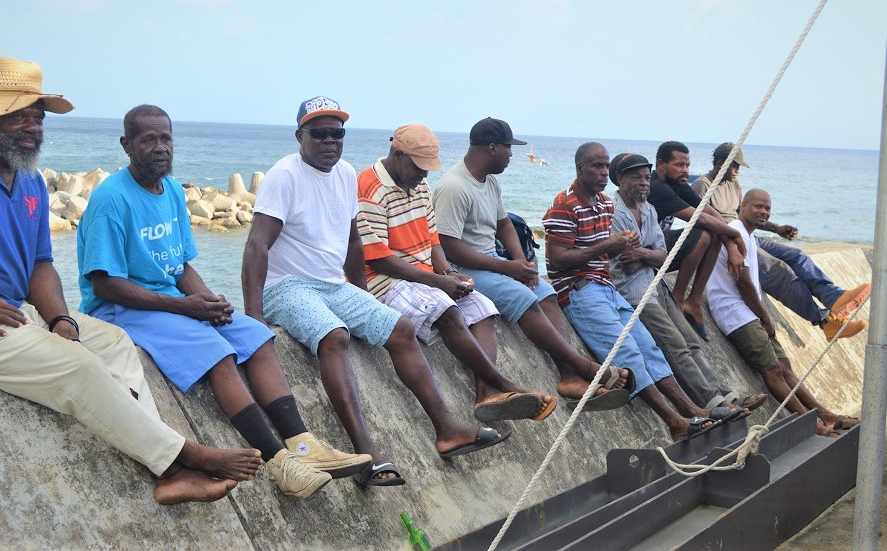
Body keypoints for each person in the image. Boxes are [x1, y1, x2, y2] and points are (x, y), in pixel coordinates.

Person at [0, 58, 261, 506]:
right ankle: (181, 457)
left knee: (112, 342)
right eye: (19, 115)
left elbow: (40, 264)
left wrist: (59, 316)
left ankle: (168, 469)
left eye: (38, 116)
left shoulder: (30, 179)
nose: (33, 127)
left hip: (10, 310)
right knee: (76, 366)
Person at [77, 104, 369, 500]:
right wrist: (185, 307)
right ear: (127, 145)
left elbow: (180, 267)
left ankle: (303, 445)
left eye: (166, 138)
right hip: (121, 309)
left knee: (256, 336)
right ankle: (280, 464)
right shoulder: (112, 198)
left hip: (165, 301)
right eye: (148, 140)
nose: (160, 147)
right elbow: (105, 283)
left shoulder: (173, 189)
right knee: (219, 352)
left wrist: (207, 299)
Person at [243, 98, 508, 488]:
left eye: (338, 133)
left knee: (401, 330)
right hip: (286, 286)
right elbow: (256, 246)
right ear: (301, 135)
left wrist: (363, 295)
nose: (330, 140)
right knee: (334, 337)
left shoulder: (345, 173)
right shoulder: (284, 176)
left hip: (333, 283)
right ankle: (366, 454)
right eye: (320, 133)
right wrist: (254, 317)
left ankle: (448, 429)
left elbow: (353, 242)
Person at [543, 142, 748, 440]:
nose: (603, 173)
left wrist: (630, 252)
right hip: (580, 290)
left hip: (605, 287)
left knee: (649, 348)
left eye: (605, 166)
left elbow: (655, 253)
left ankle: (692, 408)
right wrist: (610, 247)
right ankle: (673, 420)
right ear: (579, 169)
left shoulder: (603, 203)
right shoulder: (564, 204)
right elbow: (557, 261)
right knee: (628, 354)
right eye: (597, 167)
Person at [357, 123, 555, 423]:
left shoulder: (419, 186)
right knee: (448, 310)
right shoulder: (369, 188)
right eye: (419, 167)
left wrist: (448, 272)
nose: (425, 175)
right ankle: (504, 384)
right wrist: (439, 281)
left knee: (483, 307)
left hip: (423, 275)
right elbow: (380, 259)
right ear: (398, 154)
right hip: (385, 282)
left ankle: (485, 393)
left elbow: (433, 238)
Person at [432, 117, 633, 409]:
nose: (512, 155)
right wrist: (506, 268)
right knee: (523, 297)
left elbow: (504, 225)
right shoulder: (454, 186)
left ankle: (569, 376)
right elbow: (448, 246)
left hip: (493, 260)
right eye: (508, 148)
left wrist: (522, 262)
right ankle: (586, 368)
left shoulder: (490, 182)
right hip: (464, 268)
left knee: (546, 293)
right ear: (491, 148)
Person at [608, 153, 766, 413]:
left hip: (656, 282)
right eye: (636, 177)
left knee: (691, 340)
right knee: (676, 345)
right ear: (620, 179)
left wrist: (644, 255)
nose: (643, 182)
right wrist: (647, 255)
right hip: (633, 292)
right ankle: (712, 403)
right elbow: (623, 262)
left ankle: (725, 395)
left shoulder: (648, 209)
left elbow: (660, 254)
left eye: (646, 177)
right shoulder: (614, 212)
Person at [706, 189, 859, 436]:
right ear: (742, 205)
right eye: (758, 206)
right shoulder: (737, 232)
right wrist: (765, 318)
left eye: (767, 208)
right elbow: (743, 284)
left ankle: (828, 417)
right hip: (735, 313)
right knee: (774, 372)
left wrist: (762, 316)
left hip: (750, 312)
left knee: (786, 367)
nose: (764, 212)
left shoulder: (749, 236)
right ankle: (814, 427)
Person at [691, 142, 869, 341]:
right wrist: (731, 245)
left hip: (746, 236)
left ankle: (833, 297)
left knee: (797, 255)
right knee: (778, 270)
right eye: (735, 165)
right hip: (727, 243)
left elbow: (746, 215)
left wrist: (776, 228)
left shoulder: (734, 185)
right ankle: (826, 321)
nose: (738, 171)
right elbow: (701, 221)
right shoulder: (703, 185)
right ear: (720, 163)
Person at [648, 141, 749, 339]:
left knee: (713, 232)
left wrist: (729, 244)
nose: (685, 170)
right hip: (648, 253)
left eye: (687, 165)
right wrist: (735, 235)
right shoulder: (657, 187)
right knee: (703, 232)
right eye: (679, 165)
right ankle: (678, 297)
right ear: (661, 165)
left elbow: (710, 211)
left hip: (661, 248)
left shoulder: (679, 184)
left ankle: (693, 301)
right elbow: (700, 218)